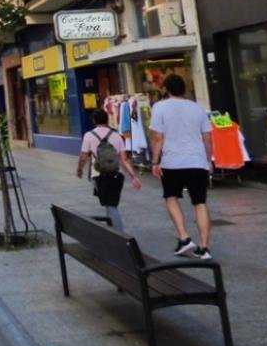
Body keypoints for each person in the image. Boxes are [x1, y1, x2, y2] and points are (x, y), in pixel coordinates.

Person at [149, 74, 215, 259]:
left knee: (171, 197)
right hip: (197, 161)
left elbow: (157, 137)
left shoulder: (159, 107)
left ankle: (184, 237)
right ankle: (204, 247)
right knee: (200, 202)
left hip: (172, 162)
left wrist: (155, 161)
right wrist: (208, 160)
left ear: (166, 89)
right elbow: (207, 138)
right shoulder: (197, 108)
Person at [76, 109, 142, 231]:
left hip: (99, 175)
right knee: (110, 204)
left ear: (94, 121)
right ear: (107, 120)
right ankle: (113, 230)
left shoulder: (89, 135)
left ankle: (119, 235)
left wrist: (79, 169)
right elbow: (124, 159)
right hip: (117, 175)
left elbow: (84, 156)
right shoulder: (116, 135)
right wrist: (133, 176)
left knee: (111, 206)